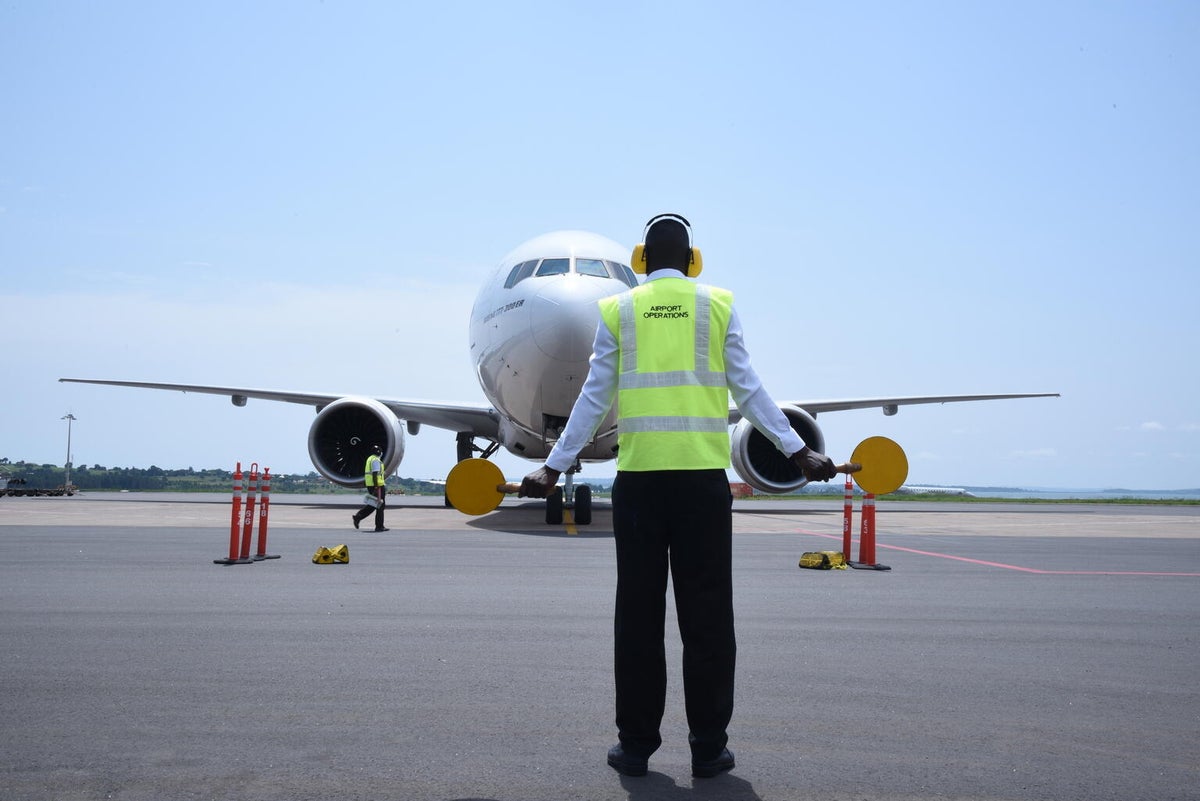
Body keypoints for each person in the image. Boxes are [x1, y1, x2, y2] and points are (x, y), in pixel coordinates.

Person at [519, 213, 837, 779]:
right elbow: (750, 388)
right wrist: (796, 451)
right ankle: (709, 748)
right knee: (709, 618)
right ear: (693, 260)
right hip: (701, 487)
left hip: (640, 486)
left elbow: (593, 400)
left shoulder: (619, 310)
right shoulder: (717, 305)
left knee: (637, 619)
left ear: (640, 260)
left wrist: (553, 466)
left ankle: (636, 746)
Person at [352, 444, 389, 532]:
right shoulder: (376, 460)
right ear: (379, 452)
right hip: (377, 486)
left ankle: (378, 525)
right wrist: (377, 486)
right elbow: (375, 474)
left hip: (371, 485)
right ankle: (359, 517)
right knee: (377, 505)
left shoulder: (370, 459)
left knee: (377, 505)